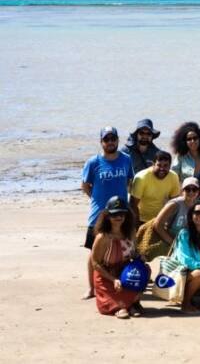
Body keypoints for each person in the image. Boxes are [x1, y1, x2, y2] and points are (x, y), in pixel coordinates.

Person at [81, 126, 134, 300]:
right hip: (98, 215)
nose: (110, 142)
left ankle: (121, 281)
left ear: (118, 140)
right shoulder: (93, 162)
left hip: (121, 213)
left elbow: (129, 182)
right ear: (101, 142)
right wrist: (98, 201)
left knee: (122, 249)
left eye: (113, 139)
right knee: (93, 251)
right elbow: (85, 186)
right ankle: (91, 288)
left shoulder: (126, 159)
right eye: (106, 139)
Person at [89, 196, 142, 318]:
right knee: (114, 296)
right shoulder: (103, 237)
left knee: (144, 271)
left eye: (122, 214)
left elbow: (133, 252)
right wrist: (113, 279)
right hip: (105, 274)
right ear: (107, 216)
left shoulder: (131, 232)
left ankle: (132, 303)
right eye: (114, 214)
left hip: (124, 272)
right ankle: (121, 307)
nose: (118, 217)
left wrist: (139, 257)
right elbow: (95, 263)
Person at [147, 177, 200, 260]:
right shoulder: (175, 204)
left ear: (198, 192)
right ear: (182, 191)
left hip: (185, 242)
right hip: (167, 242)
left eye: (194, 189)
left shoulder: (198, 206)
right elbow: (157, 225)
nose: (191, 192)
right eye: (187, 189)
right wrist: (173, 243)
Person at [129, 150, 180, 225]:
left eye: (166, 166)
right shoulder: (141, 178)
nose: (162, 169)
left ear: (170, 166)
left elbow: (175, 202)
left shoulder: (174, 177)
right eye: (159, 165)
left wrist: (170, 221)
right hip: (141, 219)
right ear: (153, 164)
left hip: (161, 219)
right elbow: (133, 205)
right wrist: (137, 226)